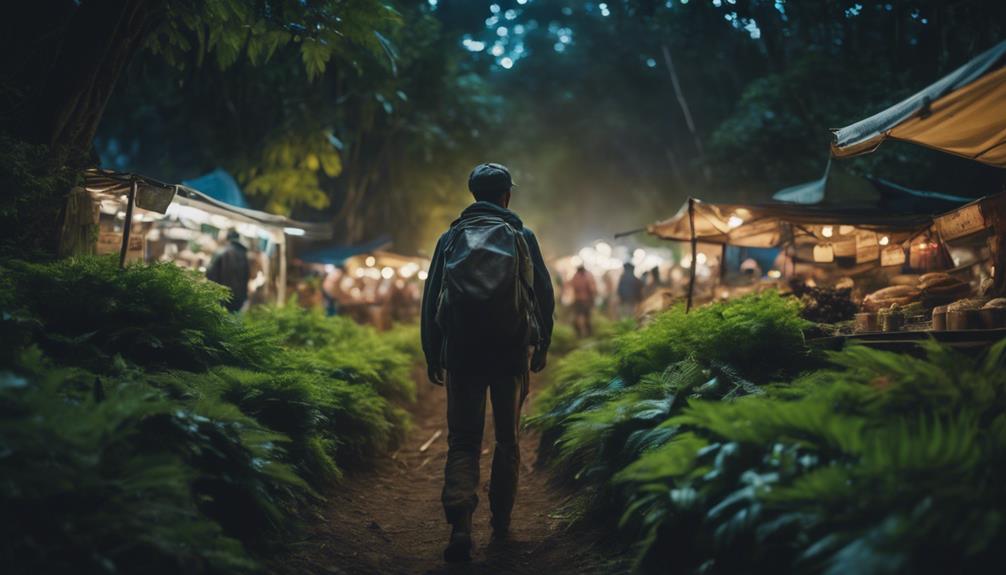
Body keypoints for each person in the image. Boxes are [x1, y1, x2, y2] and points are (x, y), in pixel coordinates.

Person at [421, 163, 555, 562]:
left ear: (473, 194)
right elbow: (543, 296)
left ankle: (461, 524)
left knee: (463, 440)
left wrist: (433, 351)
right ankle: (501, 519)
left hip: (462, 353)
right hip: (509, 352)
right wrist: (542, 344)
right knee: (507, 440)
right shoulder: (521, 235)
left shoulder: (450, 238)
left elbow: (431, 299)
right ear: (506, 196)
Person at [206, 230, 250, 312]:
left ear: (227, 238)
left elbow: (210, 273)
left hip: (222, 296)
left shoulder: (221, 251)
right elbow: (247, 275)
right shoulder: (244, 254)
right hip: (239, 298)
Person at [568, 265, 597, 337]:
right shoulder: (587, 277)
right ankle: (586, 332)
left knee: (579, 315)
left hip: (577, 300)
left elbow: (571, 285)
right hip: (586, 300)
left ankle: (581, 332)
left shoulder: (575, 277)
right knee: (586, 316)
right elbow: (592, 289)